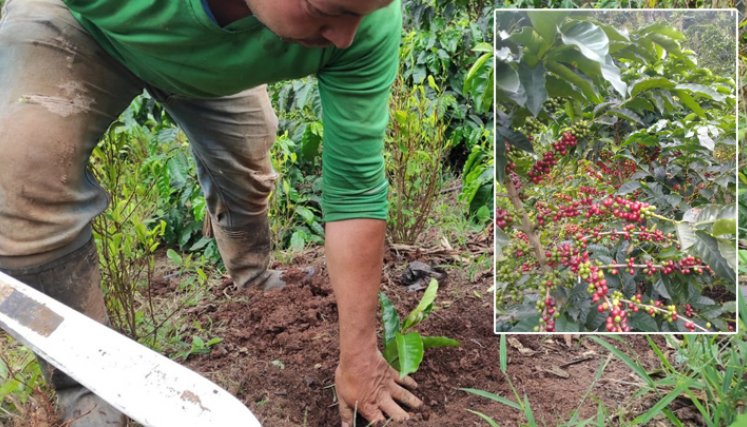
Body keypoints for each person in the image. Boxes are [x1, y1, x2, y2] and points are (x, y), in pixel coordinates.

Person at [0, 0, 423, 425]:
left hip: (209, 64)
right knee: (21, 167)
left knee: (249, 163)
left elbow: (355, 191)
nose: (345, 36)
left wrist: (359, 357)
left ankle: (254, 280)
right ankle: (88, 384)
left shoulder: (368, 23)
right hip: (87, 27)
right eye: (325, 9)